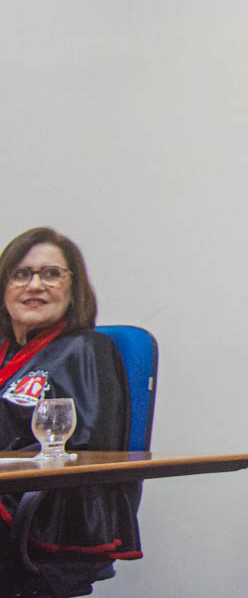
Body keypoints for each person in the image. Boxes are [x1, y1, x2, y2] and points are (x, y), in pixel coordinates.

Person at [0, 228, 141, 596]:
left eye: (51, 274)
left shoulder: (88, 349)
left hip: (45, 513)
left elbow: (85, 448)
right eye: (21, 274)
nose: (35, 285)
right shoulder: (4, 354)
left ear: (72, 287)